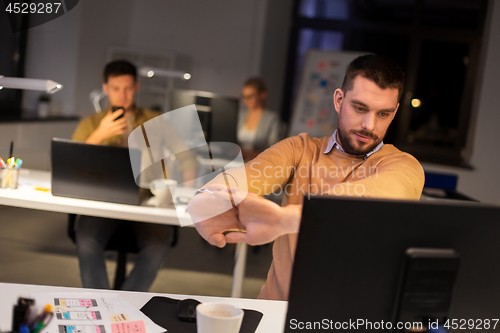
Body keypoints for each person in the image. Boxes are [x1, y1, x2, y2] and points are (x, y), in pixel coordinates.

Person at [188, 54, 425, 301]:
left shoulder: (403, 166)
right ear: (339, 99)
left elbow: (371, 203)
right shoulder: (299, 150)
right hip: (277, 312)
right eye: (360, 108)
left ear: (395, 112)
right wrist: (205, 202)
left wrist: (288, 220)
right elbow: (238, 180)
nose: (369, 125)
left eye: (383, 114)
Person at [72, 60, 197, 291]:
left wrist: (187, 195)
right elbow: (71, 163)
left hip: (144, 202)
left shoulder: (156, 121)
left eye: (128, 88)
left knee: (158, 245)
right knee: (87, 241)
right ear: (106, 88)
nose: (122, 95)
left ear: (136, 87)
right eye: (116, 88)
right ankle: (101, 303)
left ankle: (124, 304)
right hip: (102, 202)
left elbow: (187, 158)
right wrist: (99, 135)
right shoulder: (91, 123)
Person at [238, 77, 281, 161]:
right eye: (244, 96)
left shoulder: (272, 119)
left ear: (262, 95)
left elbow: (273, 150)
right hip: (237, 163)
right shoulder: (241, 115)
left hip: (258, 165)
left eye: (251, 96)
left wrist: (246, 153)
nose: (247, 100)